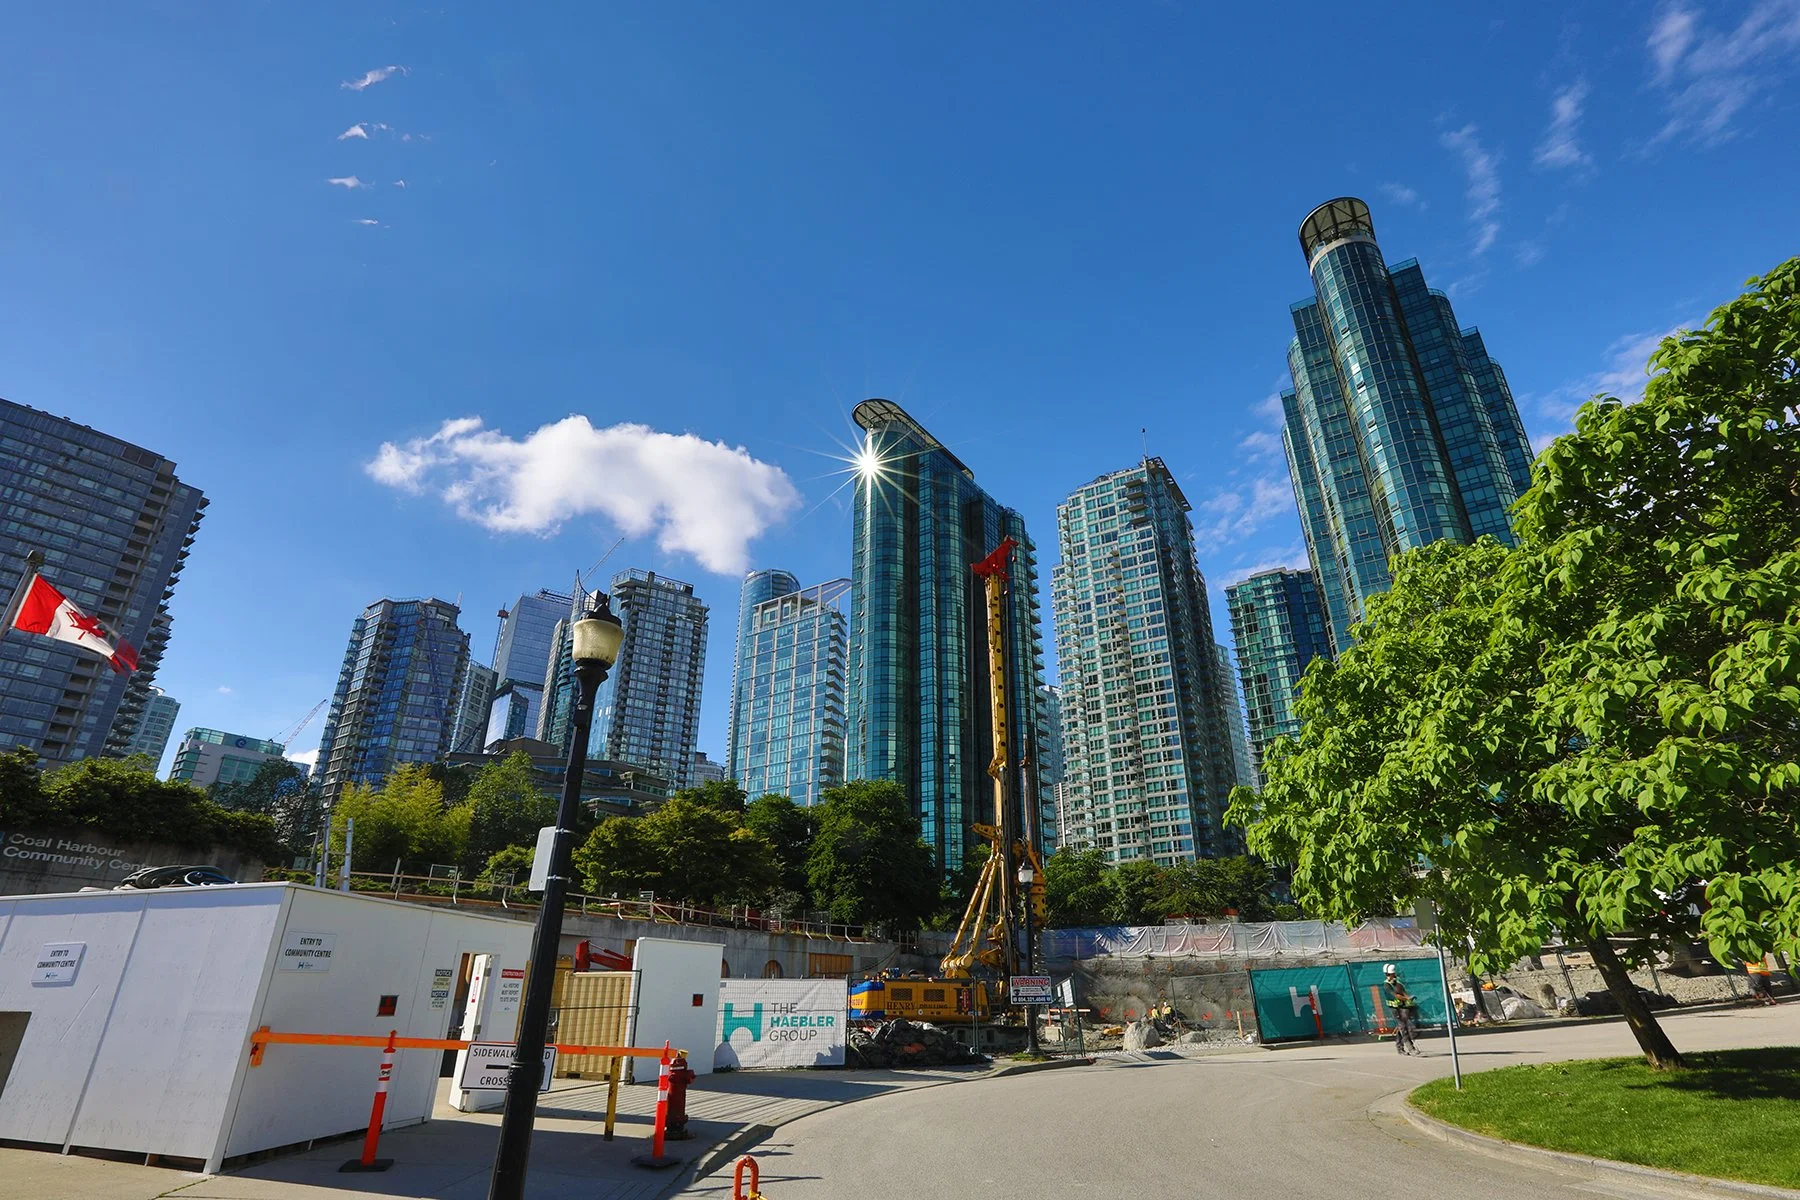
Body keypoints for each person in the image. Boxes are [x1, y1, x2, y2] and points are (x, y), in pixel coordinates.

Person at [1384, 964, 1421, 1056]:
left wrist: (1409, 998)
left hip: (1401, 1007)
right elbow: (1396, 996)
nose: (1391, 976)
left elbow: (1403, 992)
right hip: (1394, 1009)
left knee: (1402, 1027)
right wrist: (1407, 998)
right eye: (1389, 974)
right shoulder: (1386, 985)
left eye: (1392, 974)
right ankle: (1411, 1048)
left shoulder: (1398, 983)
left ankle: (1399, 1047)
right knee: (1403, 1028)